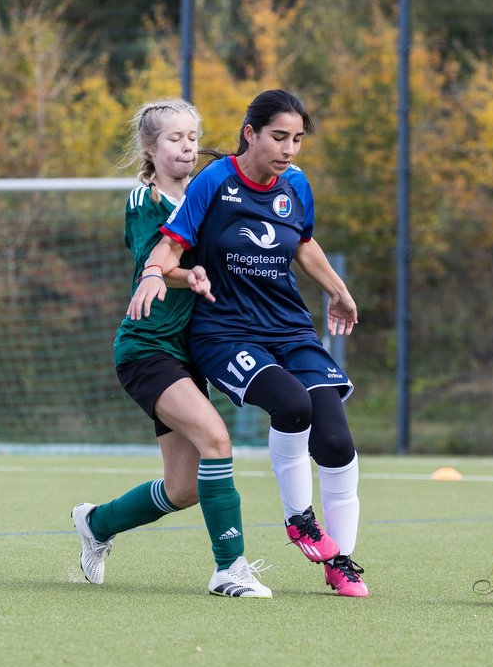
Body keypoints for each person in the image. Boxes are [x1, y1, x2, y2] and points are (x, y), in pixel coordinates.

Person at [128, 89, 369, 597]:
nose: (288, 149)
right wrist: (154, 271)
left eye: (298, 140)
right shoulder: (214, 182)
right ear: (250, 133)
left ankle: (340, 562)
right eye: (279, 137)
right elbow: (171, 240)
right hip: (228, 331)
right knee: (291, 404)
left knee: (337, 442)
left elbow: (303, 244)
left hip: (290, 328)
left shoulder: (297, 185)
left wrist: (340, 293)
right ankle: (299, 519)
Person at [71, 98, 272, 598]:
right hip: (146, 349)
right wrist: (190, 274)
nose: (187, 147)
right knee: (217, 440)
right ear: (150, 148)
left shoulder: (205, 194)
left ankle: (97, 523)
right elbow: (154, 264)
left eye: (192, 137)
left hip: (185, 354)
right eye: (175, 139)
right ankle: (230, 569)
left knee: (182, 489)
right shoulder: (145, 201)